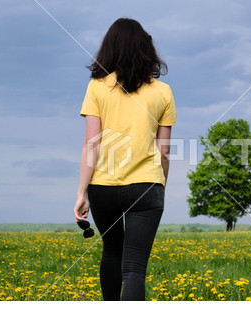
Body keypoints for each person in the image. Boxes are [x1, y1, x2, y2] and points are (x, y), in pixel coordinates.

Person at [73, 18, 176, 301]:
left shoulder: (96, 87)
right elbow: (164, 151)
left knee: (112, 251)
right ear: (146, 48)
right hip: (147, 187)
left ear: (110, 48)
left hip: (103, 187)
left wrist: (82, 192)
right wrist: (160, 185)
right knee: (134, 269)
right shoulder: (163, 92)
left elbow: (91, 142)